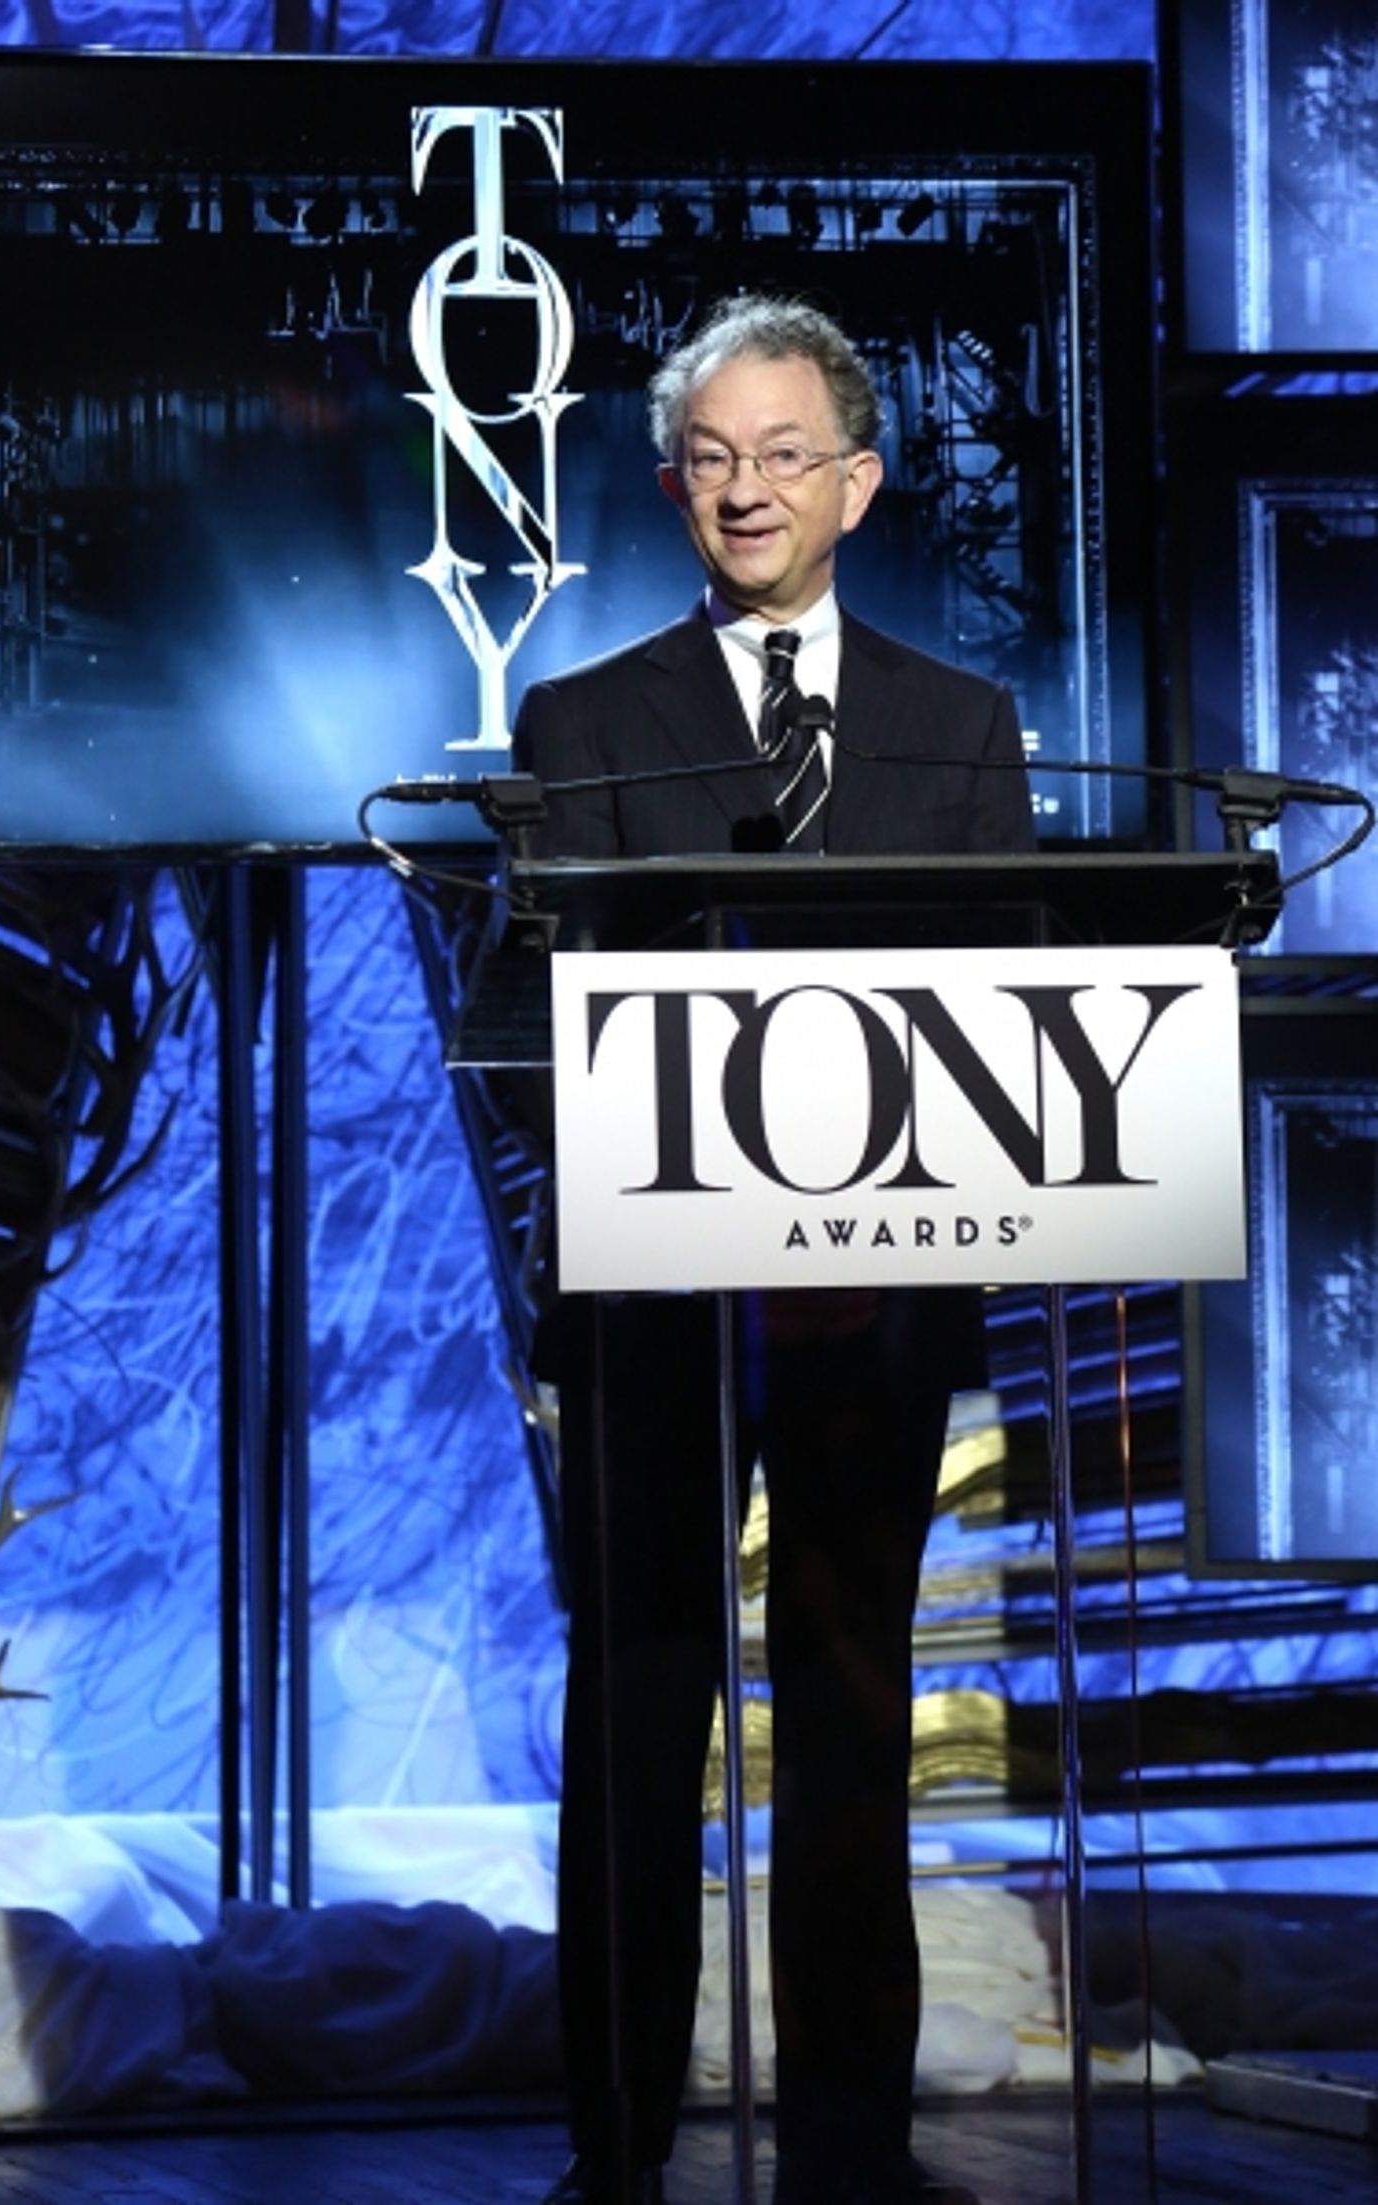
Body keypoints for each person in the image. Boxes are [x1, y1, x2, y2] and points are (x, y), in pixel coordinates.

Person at [513, 295, 1035, 2205]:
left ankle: (847, 2146)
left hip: (871, 1304)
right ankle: (621, 2143)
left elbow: (1008, 1019)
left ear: (860, 484)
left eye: (784, 454)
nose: (748, 490)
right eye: (714, 460)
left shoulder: (959, 725)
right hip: (653, 1314)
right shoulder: (579, 723)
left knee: (850, 1704)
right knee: (642, 1707)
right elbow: (526, 1019)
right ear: (672, 491)